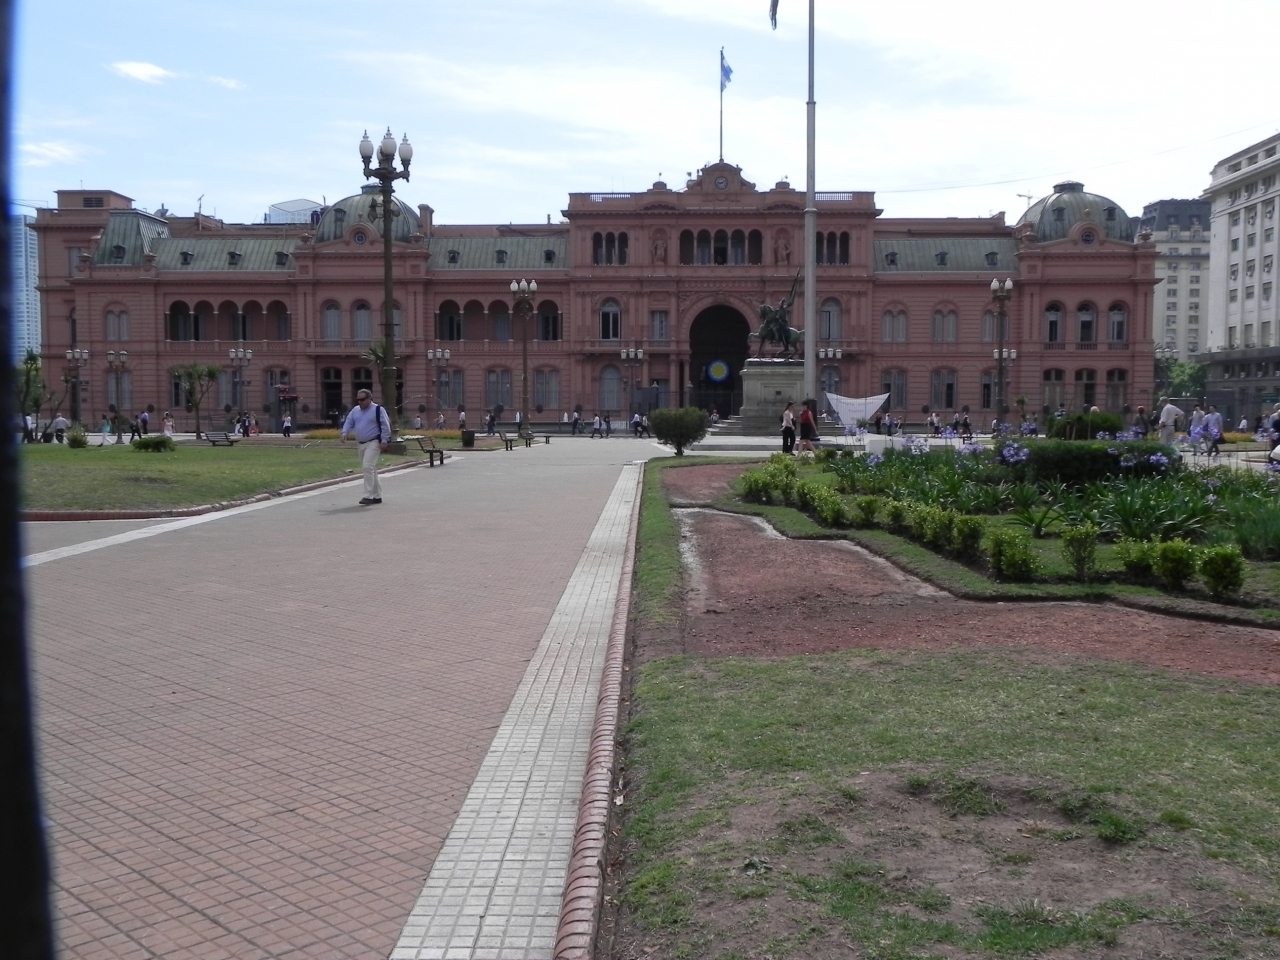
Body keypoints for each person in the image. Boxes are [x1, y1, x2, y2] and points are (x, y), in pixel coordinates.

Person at [340, 388, 391, 505]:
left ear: (369, 398)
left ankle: (368, 495)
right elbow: (349, 422)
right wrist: (344, 433)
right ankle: (377, 495)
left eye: (362, 399)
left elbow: (385, 425)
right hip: (361, 443)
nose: (360, 402)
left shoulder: (378, 409)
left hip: (374, 441)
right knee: (371, 468)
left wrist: (384, 440)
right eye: (358, 400)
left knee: (367, 466)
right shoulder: (355, 410)